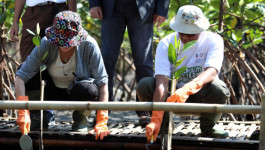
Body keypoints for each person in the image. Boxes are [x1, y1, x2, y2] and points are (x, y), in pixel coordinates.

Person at [136, 5, 231, 143]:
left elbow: (211, 71)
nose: (186, 37)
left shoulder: (214, 40)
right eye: (182, 33)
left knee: (219, 88)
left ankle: (208, 126)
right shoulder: (166, 43)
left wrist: (189, 88)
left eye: (192, 34)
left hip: (201, 96)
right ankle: (162, 123)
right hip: (172, 97)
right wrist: (156, 117)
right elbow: (162, 82)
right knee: (145, 85)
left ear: (201, 30)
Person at [15, 11, 110, 140]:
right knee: (28, 74)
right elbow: (20, 76)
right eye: (61, 40)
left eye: (69, 41)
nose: (65, 44)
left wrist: (102, 121)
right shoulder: (46, 43)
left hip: (77, 92)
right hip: (50, 89)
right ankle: (37, 116)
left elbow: (102, 83)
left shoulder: (90, 45)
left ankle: (81, 118)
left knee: (89, 89)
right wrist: (23, 111)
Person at [88, 0, 170, 126]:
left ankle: (145, 111)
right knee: (106, 60)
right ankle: (102, 110)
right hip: (110, 7)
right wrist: (94, 3)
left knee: (143, 61)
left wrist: (162, 8)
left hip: (143, 7)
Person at [10, 0, 77, 130]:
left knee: (58, 58)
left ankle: (48, 112)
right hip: (33, 12)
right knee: (28, 63)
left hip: (60, 10)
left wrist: (73, 18)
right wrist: (15, 22)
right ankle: (34, 114)